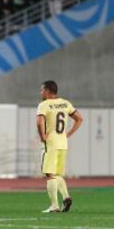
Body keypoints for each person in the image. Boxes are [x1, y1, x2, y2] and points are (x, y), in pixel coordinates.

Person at [37, 80, 83, 213]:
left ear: (47, 91)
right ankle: (66, 197)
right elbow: (79, 118)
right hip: (63, 143)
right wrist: (68, 133)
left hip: (51, 143)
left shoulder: (44, 105)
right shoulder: (65, 103)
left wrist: (42, 136)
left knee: (49, 174)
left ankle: (54, 206)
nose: (41, 93)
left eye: (42, 90)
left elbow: (39, 122)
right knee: (57, 174)